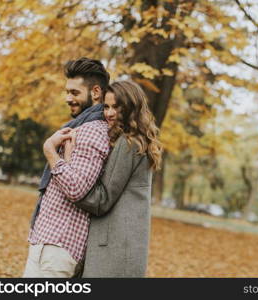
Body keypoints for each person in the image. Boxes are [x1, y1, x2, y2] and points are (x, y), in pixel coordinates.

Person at [64, 80, 163, 277]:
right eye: (106, 107)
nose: (109, 113)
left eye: (116, 107)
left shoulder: (128, 144)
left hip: (113, 250)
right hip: (125, 246)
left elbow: (101, 200)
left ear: (131, 108)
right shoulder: (139, 142)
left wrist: (67, 166)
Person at [23, 57, 111, 277]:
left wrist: (50, 152)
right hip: (48, 240)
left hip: (59, 245)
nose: (67, 98)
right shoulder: (78, 128)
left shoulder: (92, 131)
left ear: (96, 92)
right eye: (67, 92)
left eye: (74, 92)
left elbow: (76, 189)